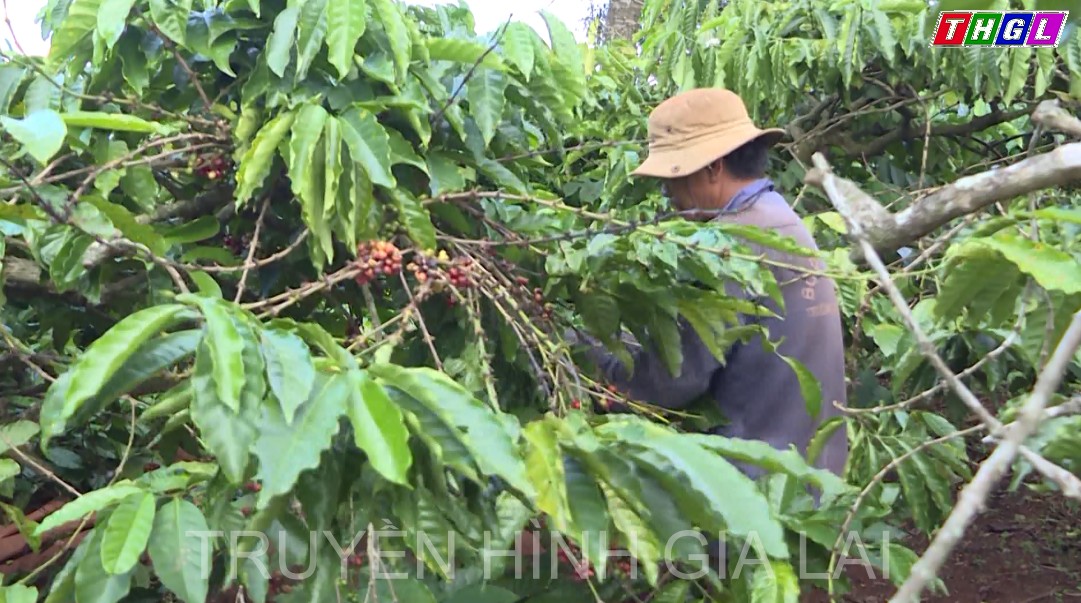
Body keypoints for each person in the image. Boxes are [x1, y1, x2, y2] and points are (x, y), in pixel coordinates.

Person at [568, 87, 848, 481]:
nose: (669, 194)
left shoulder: (730, 247)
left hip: (751, 489)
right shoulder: (779, 219)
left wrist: (581, 350)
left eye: (674, 178)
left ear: (713, 167)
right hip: (814, 477)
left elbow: (672, 381)